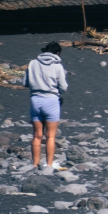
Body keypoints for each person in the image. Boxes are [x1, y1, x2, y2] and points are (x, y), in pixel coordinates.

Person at [24, 40, 66, 174]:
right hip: (51, 101)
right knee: (51, 136)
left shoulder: (32, 63)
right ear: (58, 53)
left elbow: (24, 82)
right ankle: (49, 165)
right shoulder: (57, 66)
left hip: (35, 100)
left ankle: (35, 164)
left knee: (37, 136)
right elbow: (63, 87)